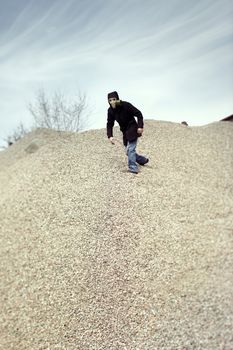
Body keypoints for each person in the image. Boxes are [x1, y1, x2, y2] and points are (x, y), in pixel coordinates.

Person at [106, 91, 149, 174]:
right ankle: (142, 160)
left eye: (114, 99)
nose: (112, 102)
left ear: (117, 99)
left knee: (130, 149)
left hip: (132, 127)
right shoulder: (110, 111)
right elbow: (109, 124)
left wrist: (140, 126)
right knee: (127, 151)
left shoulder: (126, 105)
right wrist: (110, 136)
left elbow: (138, 114)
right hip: (124, 131)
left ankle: (133, 168)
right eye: (110, 100)